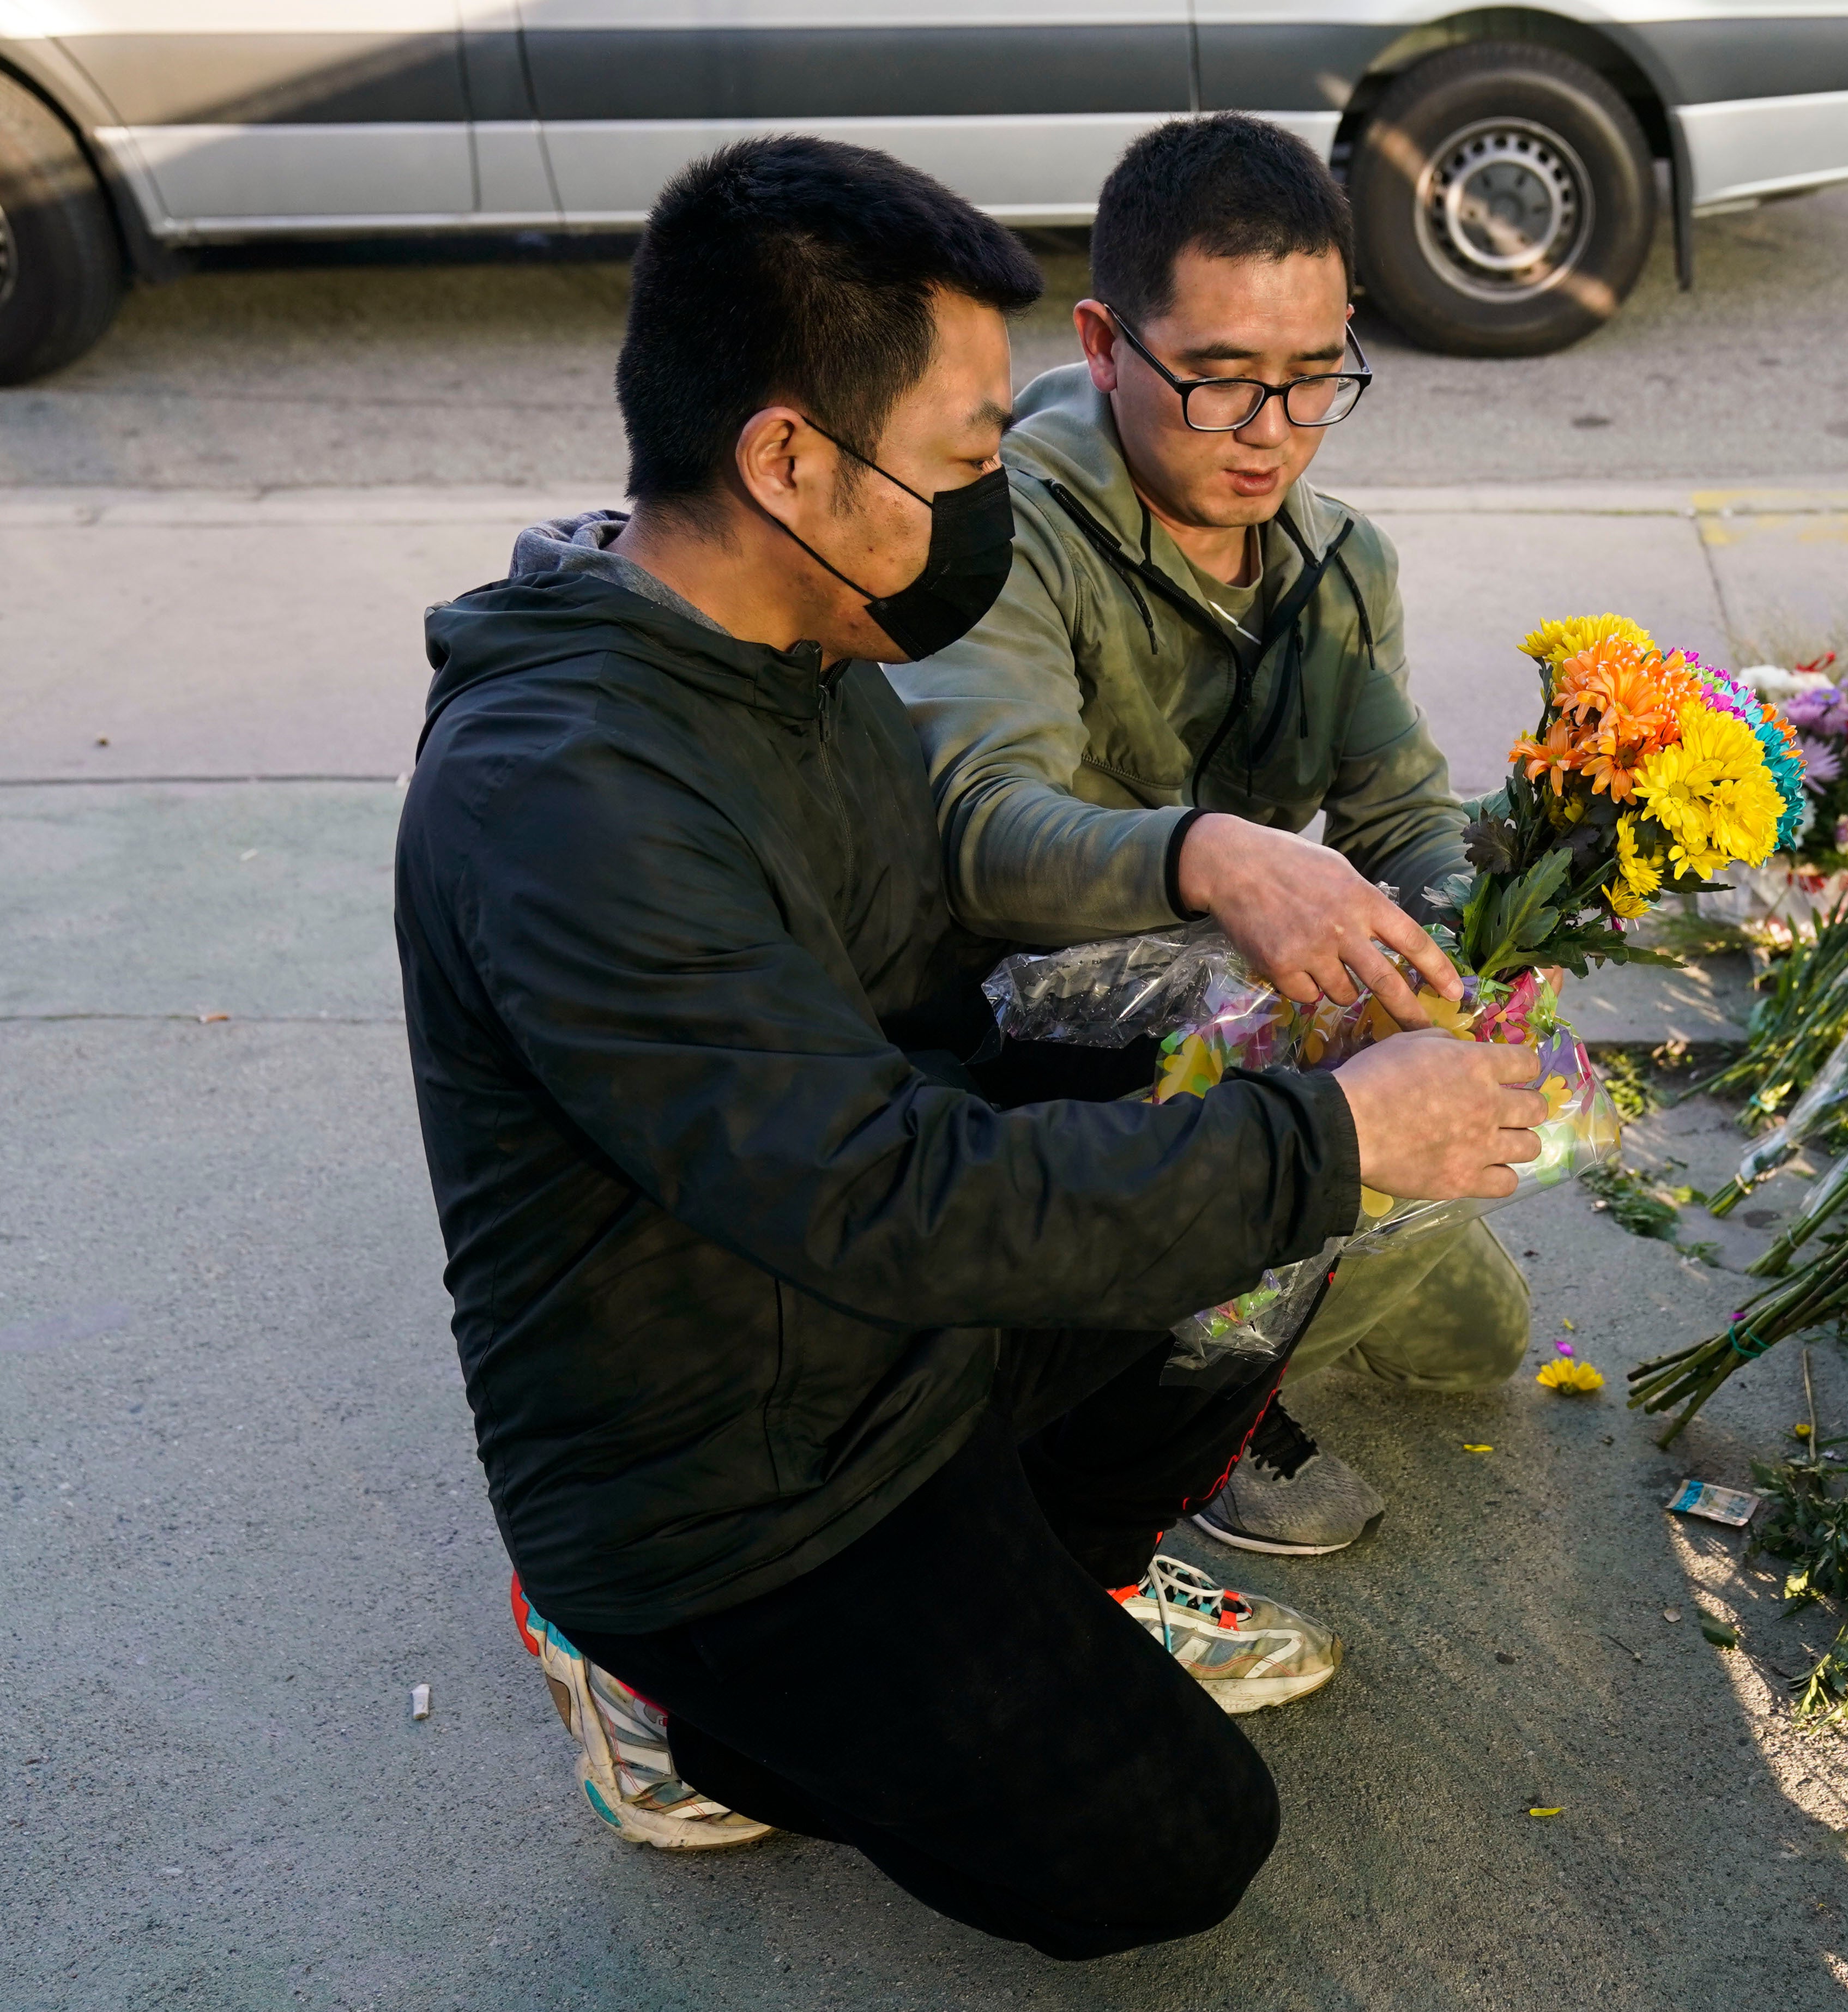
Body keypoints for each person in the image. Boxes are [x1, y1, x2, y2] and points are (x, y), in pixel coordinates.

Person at [394, 135, 1545, 1956]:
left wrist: (1294, 1081)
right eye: (965, 455)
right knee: (1176, 1845)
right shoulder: (571, 798)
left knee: (1245, 1106)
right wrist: (1330, 1137)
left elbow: (941, 1034)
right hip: (724, 1473)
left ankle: (1065, 1560)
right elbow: (890, 1197)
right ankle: (655, 1687)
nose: (1002, 487)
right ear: (786, 460)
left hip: (871, 1310)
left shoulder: (803, 648)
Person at [893, 114, 1526, 1560]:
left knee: (1475, 1329)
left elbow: (1407, 816)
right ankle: (1135, 1443)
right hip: (1002, 1056)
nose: (1271, 434)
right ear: (1106, 341)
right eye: (1221, 380)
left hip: (1207, 1039)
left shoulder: (1341, 561)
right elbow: (977, 831)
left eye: (1314, 381)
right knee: (1233, 1016)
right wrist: (1221, 854)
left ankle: (1215, 1345)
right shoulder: (998, 531)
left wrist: (1540, 877)